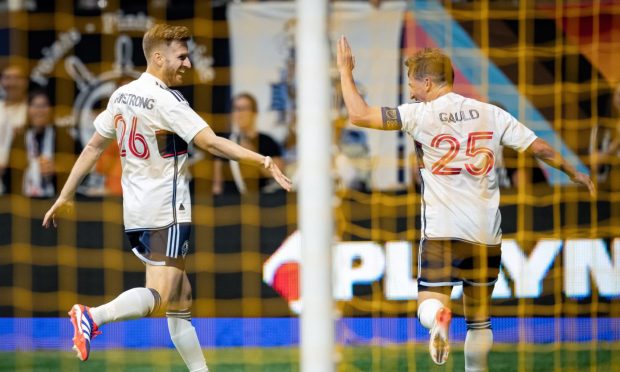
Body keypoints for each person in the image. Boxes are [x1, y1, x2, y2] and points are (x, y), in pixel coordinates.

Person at [43, 24, 291, 371]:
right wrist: (262, 160)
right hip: (167, 211)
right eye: (182, 56)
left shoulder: (121, 94)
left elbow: (93, 146)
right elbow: (211, 142)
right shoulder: (167, 99)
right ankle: (91, 316)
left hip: (136, 212)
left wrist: (64, 195)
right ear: (158, 57)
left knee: (181, 299)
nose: (187, 64)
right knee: (161, 297)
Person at [336, 37, 594, 371]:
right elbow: (539, 148)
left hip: (442, 231)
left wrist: (345, 71)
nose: (411, 92)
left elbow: (358, 115)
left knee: (427, 307)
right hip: (486, 234)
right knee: (480, 321)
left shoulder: (419, 114)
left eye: (413, 84)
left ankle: (439, 318)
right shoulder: (491, 113)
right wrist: (574, 171)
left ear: (427, 83)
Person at [212, 92, 284, 195]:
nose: (240, 113)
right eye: (236, 109)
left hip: (261, 202)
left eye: (244, 108)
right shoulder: (225, 143)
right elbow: (217, 185)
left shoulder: (267, 142)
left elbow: (279, 175)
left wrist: (252, 154)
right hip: (229, 203)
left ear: (255, 113)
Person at [12, 90, 77, 197]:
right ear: (28, 109)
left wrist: (57, 168)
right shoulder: (19, 139)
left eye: (44, 105)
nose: (39, 111)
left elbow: (80, 166)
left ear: (51, 109)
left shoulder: (64, 137)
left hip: (56, 198)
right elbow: (10, 176)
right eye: (35, 106)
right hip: (23, 201)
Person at [0, 64, 29, 194]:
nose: (11, 83)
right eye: (7, 77)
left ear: (26, 82)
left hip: (22, 183)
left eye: (17, 78)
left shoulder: (33, 110)